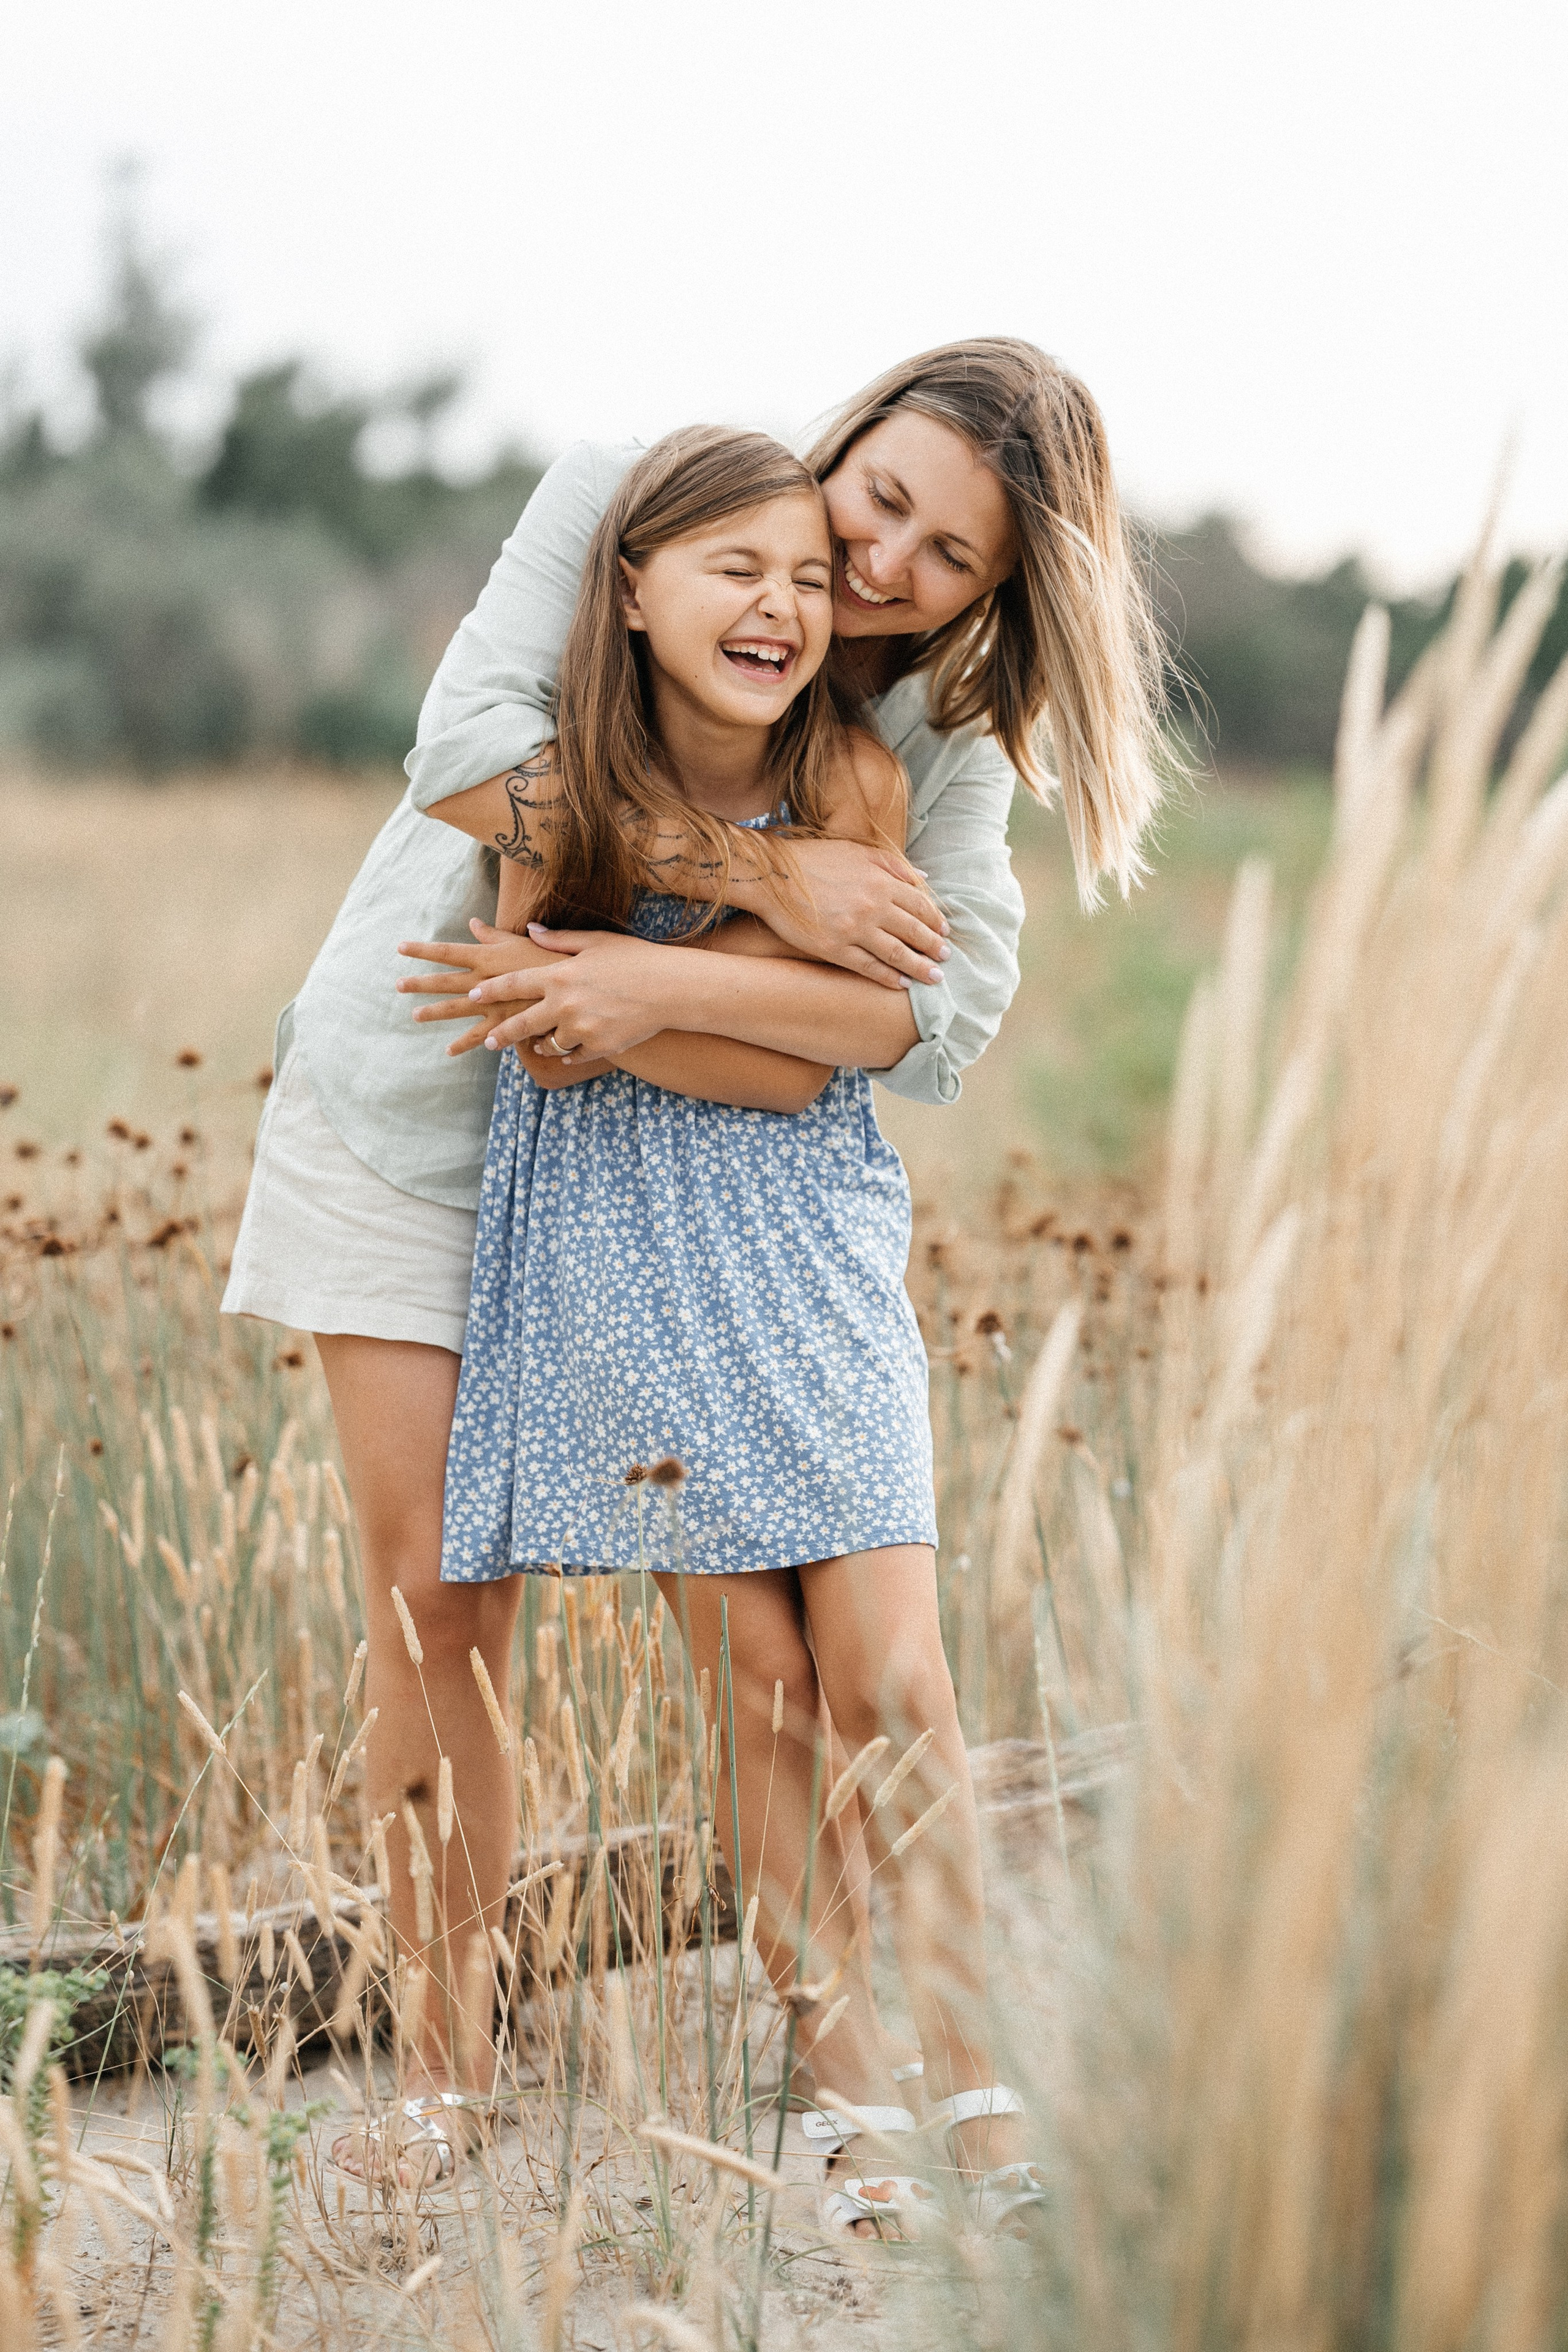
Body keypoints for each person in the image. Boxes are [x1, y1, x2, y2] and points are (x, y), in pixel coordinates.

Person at [221, 338, 1164, 2199]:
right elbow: (464, 767)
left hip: (683, 1195)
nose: (880, 564)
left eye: (944, 555)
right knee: (438, 1601)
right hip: (419, 1128)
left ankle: (916, 2063)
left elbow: (930, 1013)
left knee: (810, 1656)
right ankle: (441, 2070)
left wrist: (665, 971)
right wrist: (766, 883)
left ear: (996, 591)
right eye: (876, 497)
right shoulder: (638, 506)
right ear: (846, 439)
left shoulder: (922, 751)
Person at [412, 421, 1042, 2232]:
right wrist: (617, 1002)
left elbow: (806, 1072)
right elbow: (531, 1017)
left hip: (801, 1244)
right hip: (615, 1250)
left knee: (891, 1677)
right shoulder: (558, 779)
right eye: (737, 572)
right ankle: (855, 2117)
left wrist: (626, 999)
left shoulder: (853, 775)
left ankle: (985, 2084)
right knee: (757, 1693)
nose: (792, 602)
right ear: (636, 591)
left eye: (802, 578)